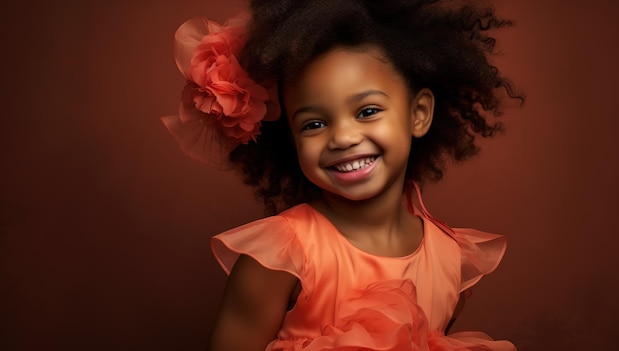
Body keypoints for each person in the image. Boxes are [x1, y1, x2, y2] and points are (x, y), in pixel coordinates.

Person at [162, 0, 523, 350]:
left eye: (367, 111)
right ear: (291, 137)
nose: (343, 138)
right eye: (314, 123)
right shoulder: (276, 259)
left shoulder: (451, 261)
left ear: (419, 114)